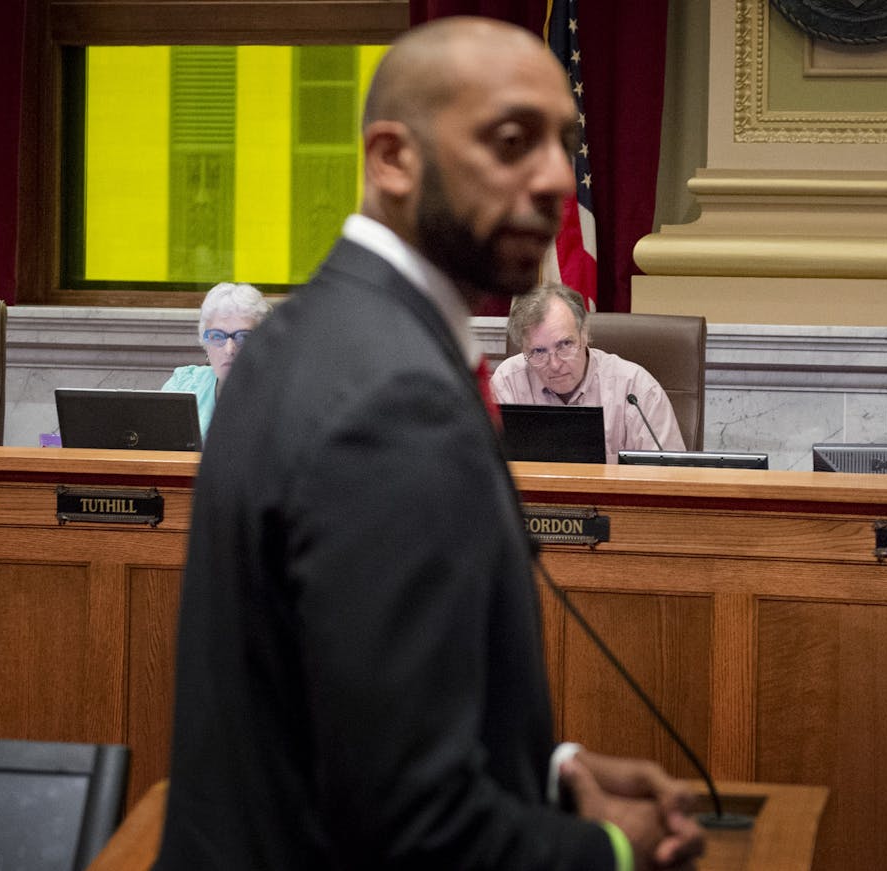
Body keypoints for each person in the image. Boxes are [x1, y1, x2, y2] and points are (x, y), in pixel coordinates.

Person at [156, 17, 704, 871]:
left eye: (567, 143)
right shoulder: (393, 394)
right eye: (514, 140)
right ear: (393, 159)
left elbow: (346, 704)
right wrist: (609, 849)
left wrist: (550, 770)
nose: (560, 177)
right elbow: (411, 826)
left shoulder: (309, 332)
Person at [492, 283, 686, 462]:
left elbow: (671, 477)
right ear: (524, 350)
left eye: (565, 344)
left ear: (584, 335)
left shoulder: (635, 388)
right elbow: (487, 470)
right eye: (538, 352)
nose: (555, 364)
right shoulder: (508, 382)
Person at [160, 282, 270, 440]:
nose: (229, 349)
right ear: (205, 343)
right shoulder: (183, 385)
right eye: (217, 336)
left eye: (243, 337)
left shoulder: (281, 395)